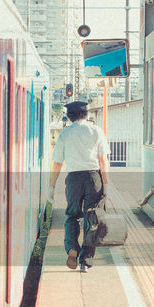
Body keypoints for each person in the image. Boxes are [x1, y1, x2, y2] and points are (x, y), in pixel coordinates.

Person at [47, 100, 109, 269]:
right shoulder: (96, 131)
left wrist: (52, 186)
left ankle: (72, 248)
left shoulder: (65, 134)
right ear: (86, 114)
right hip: (93, 177)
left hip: (73, 178)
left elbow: (57, 163)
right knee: (92, 217)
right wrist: (106, 182)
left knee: (72, 215)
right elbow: (103, 160)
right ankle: (86, 261)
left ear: (69, 116)